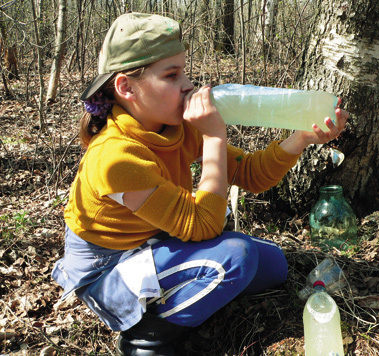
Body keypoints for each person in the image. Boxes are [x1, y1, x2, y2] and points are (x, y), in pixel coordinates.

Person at [52, 12, 349, 356]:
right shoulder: (115, 158)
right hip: (108, 271)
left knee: (272, 265)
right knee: (236, 257)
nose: (188, 84)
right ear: (126, 87)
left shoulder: (174, 128)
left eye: (185, 71)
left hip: (154, 240)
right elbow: (205, 226)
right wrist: (214, 137)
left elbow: (251, 174)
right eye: (171, 75)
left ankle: (189, 293)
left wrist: (301, 138)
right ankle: (148, 334)